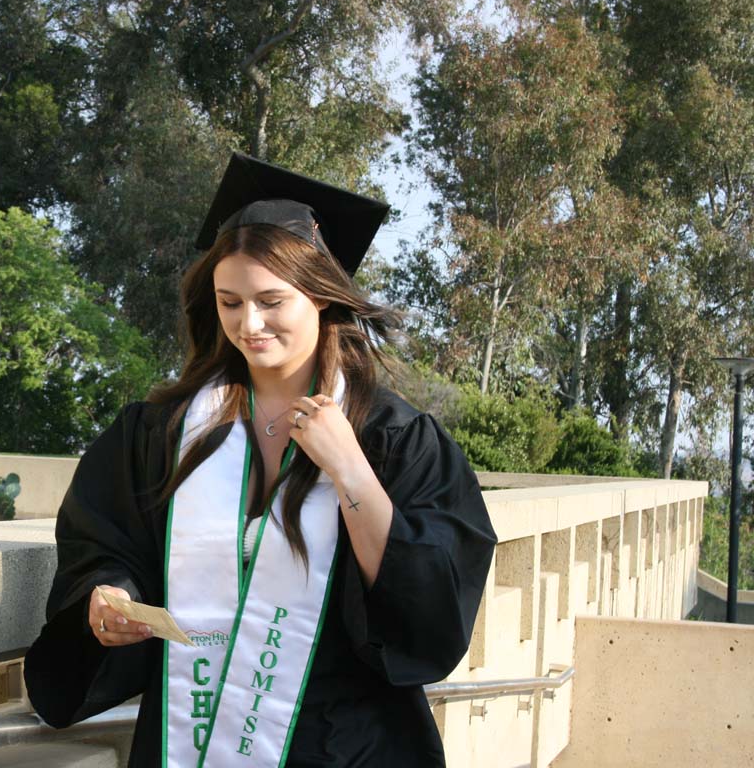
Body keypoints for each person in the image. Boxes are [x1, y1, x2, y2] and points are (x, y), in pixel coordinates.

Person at [24, 152, 497, 767]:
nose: (249, 324)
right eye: (230, 302)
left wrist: (349, 468)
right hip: (189, 737)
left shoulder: (393, 438)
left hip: (345, 745)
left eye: (272, 301)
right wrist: (109, 594)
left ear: (319, 296)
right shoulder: (164, 432)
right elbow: (103, 541)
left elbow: (430, 603)